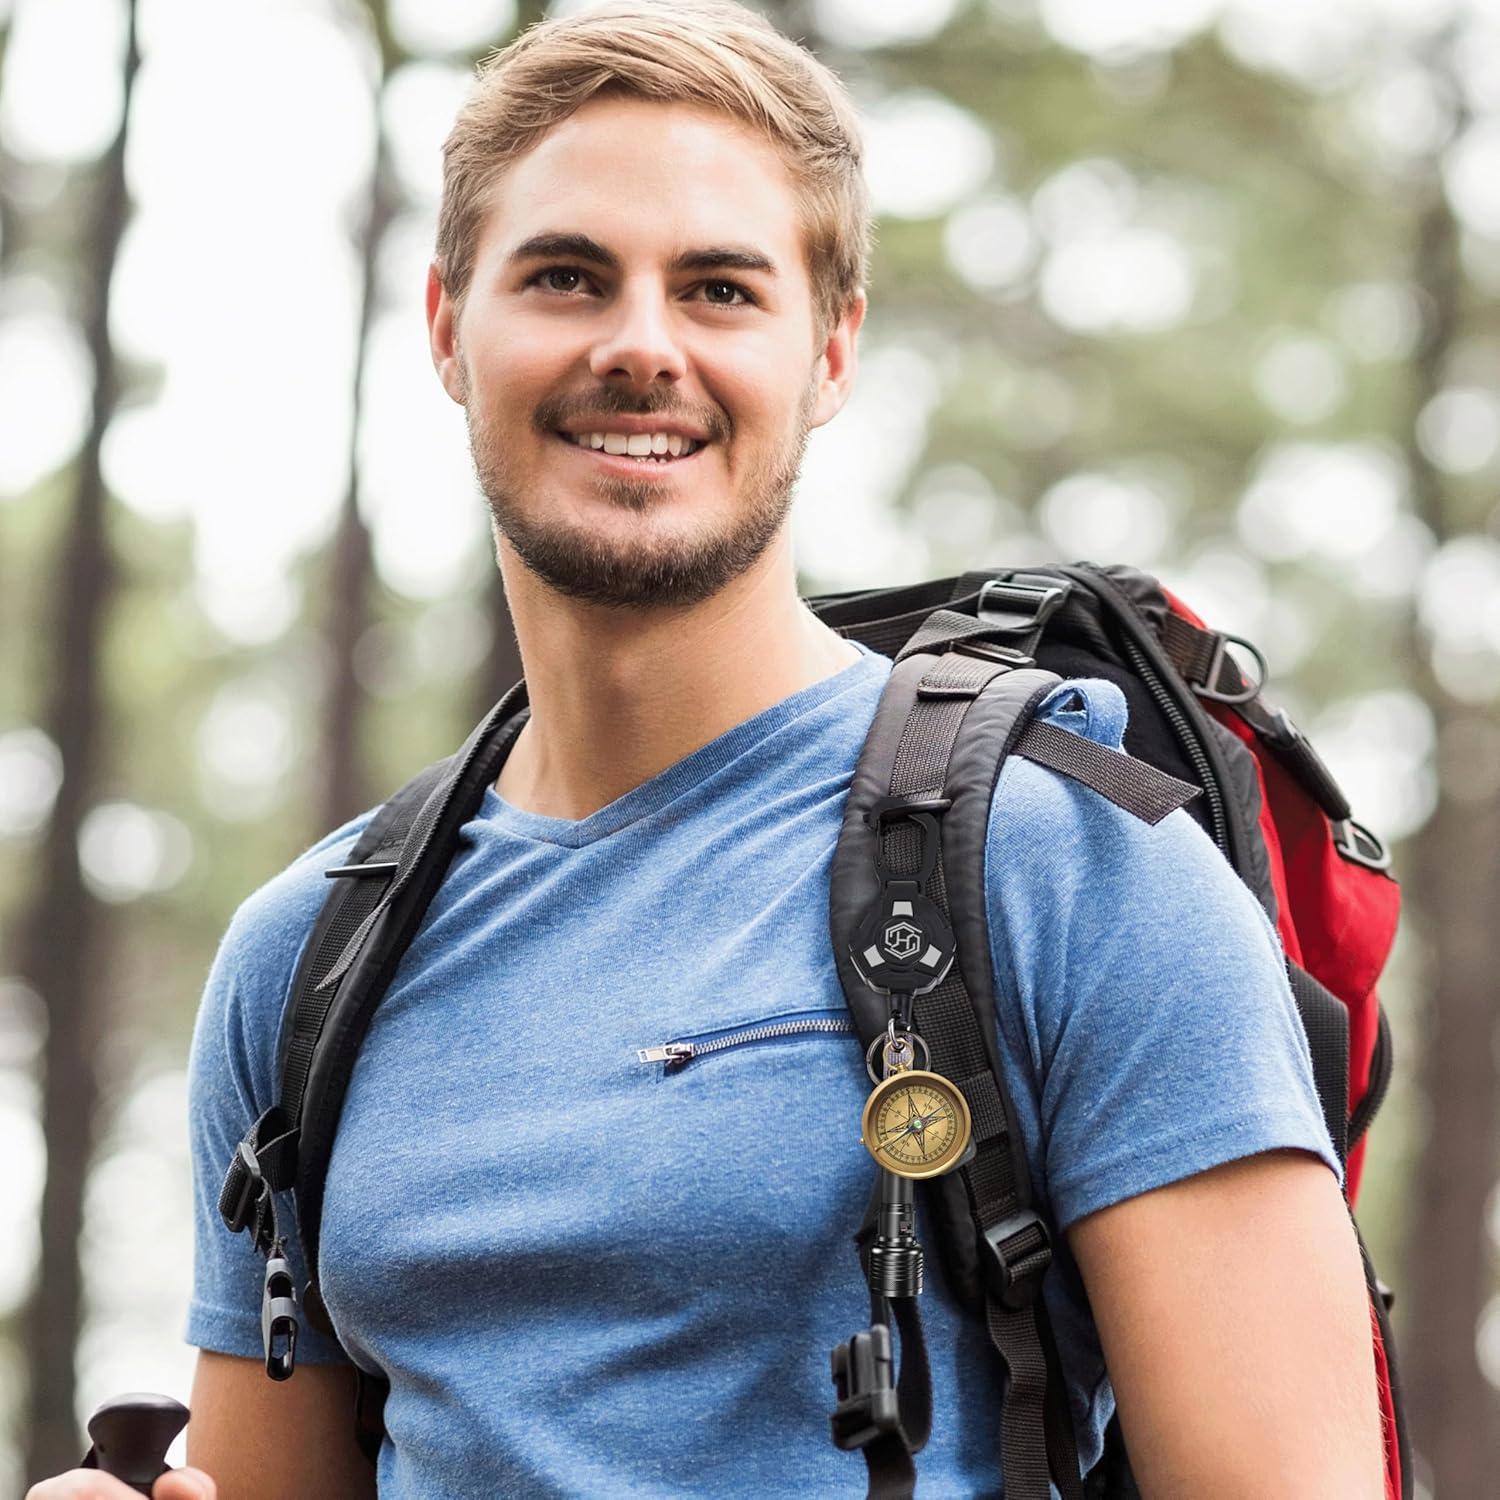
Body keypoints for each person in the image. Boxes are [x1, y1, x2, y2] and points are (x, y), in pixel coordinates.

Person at [31, 3, 1385, 1496]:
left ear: (831, 352)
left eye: (721, 289)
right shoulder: (305, 966)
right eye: (564, 275)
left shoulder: (1072, 870)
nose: (638, 345)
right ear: (444, 327)